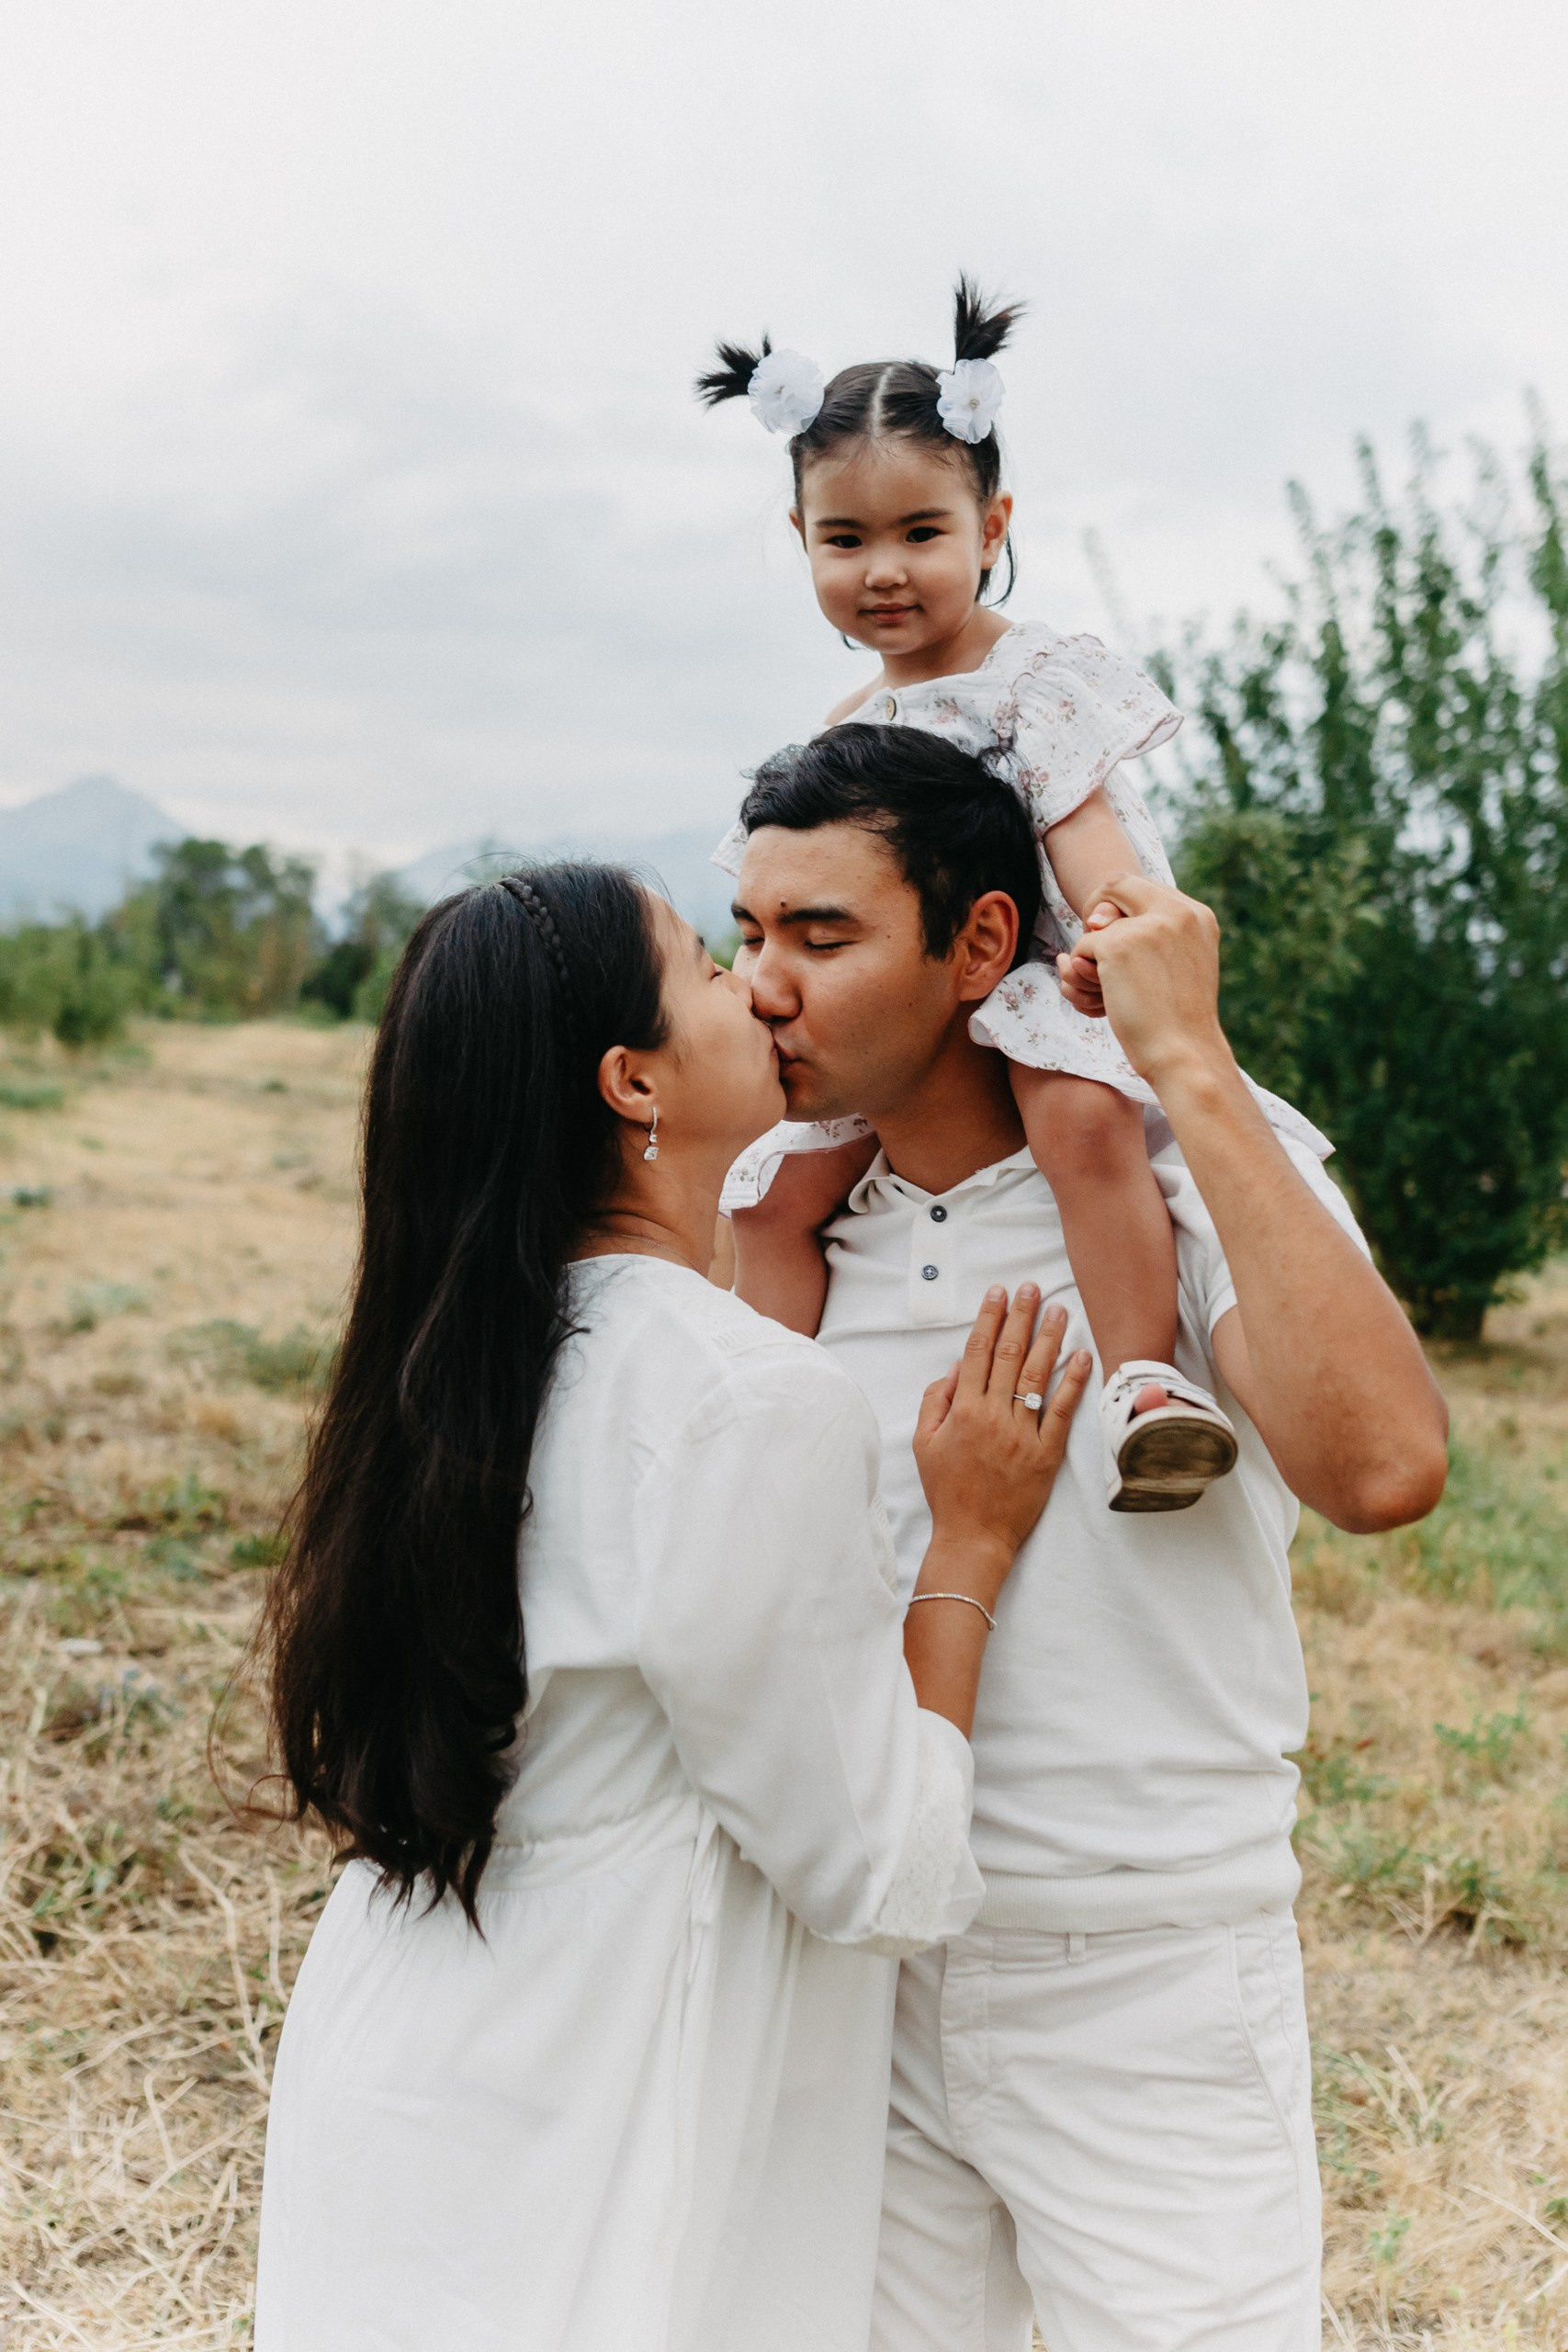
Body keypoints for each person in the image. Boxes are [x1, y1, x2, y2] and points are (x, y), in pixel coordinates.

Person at [248, 859, 1090, 2352]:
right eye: (708, 965)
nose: (758, 988)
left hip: (402, 2062)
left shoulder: (448, 1372)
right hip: (598, 2103)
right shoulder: (742, 1399)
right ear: (633, 1082)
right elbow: (878, 1869)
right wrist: (968, 1543)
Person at [726, 729, 1450, 2351]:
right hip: (857, 1973)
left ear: (980, 943)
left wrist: (1188, 1060)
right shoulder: (779, 1223)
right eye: (750, 932)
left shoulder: (1188, 1181)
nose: (765, 985)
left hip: (1145, 1974)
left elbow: (1385, 1467)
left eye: (822, 936)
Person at [698, 277, 1331, 1513]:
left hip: (1042, 979)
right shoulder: (847, 728)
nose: (885, 571)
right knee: (770, 1192)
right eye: (846, 541)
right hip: (906, 1013)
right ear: (802, 537)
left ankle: (1146, 1380)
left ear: (991, 525)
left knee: (1081, 1123)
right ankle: (764, 1415)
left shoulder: (1034, 680)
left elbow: (1092, 852)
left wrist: (1112, 945)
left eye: (921, 533)